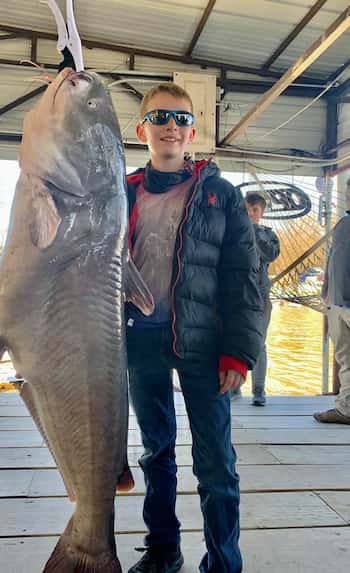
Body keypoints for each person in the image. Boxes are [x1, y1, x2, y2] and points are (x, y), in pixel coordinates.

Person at [125, 83, 263, 573]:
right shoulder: (120, 192)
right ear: (142, 129)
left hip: (204, 346)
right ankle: (164, 548)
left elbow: (245, 280)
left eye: (181, 119)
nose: (171, 126)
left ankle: (223, 562)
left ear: (194, 133)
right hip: (139, 340)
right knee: (154, 451)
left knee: (215, 463)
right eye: (160, 117)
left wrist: (239, 353)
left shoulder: (221, 195)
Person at [234, 192, 280, 406]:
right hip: (235, 296)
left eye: (255, 210)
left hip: (260, 298)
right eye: (247, 209)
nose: (250, 214)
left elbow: (270, 254)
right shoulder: (232, 231)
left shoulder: (268, 235)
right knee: (234, 340)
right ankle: (234, 388)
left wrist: (254, 232)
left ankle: (259, 390)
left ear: (261, 213)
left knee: (259, 344)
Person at [314, 177, 350, 425]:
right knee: (345, 358)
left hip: (344, 303)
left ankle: (346, 407)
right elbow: (333, 263)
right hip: (337, 302)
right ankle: (345, 406)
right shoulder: (343, 224)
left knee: (346, 357)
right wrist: (326, 291)